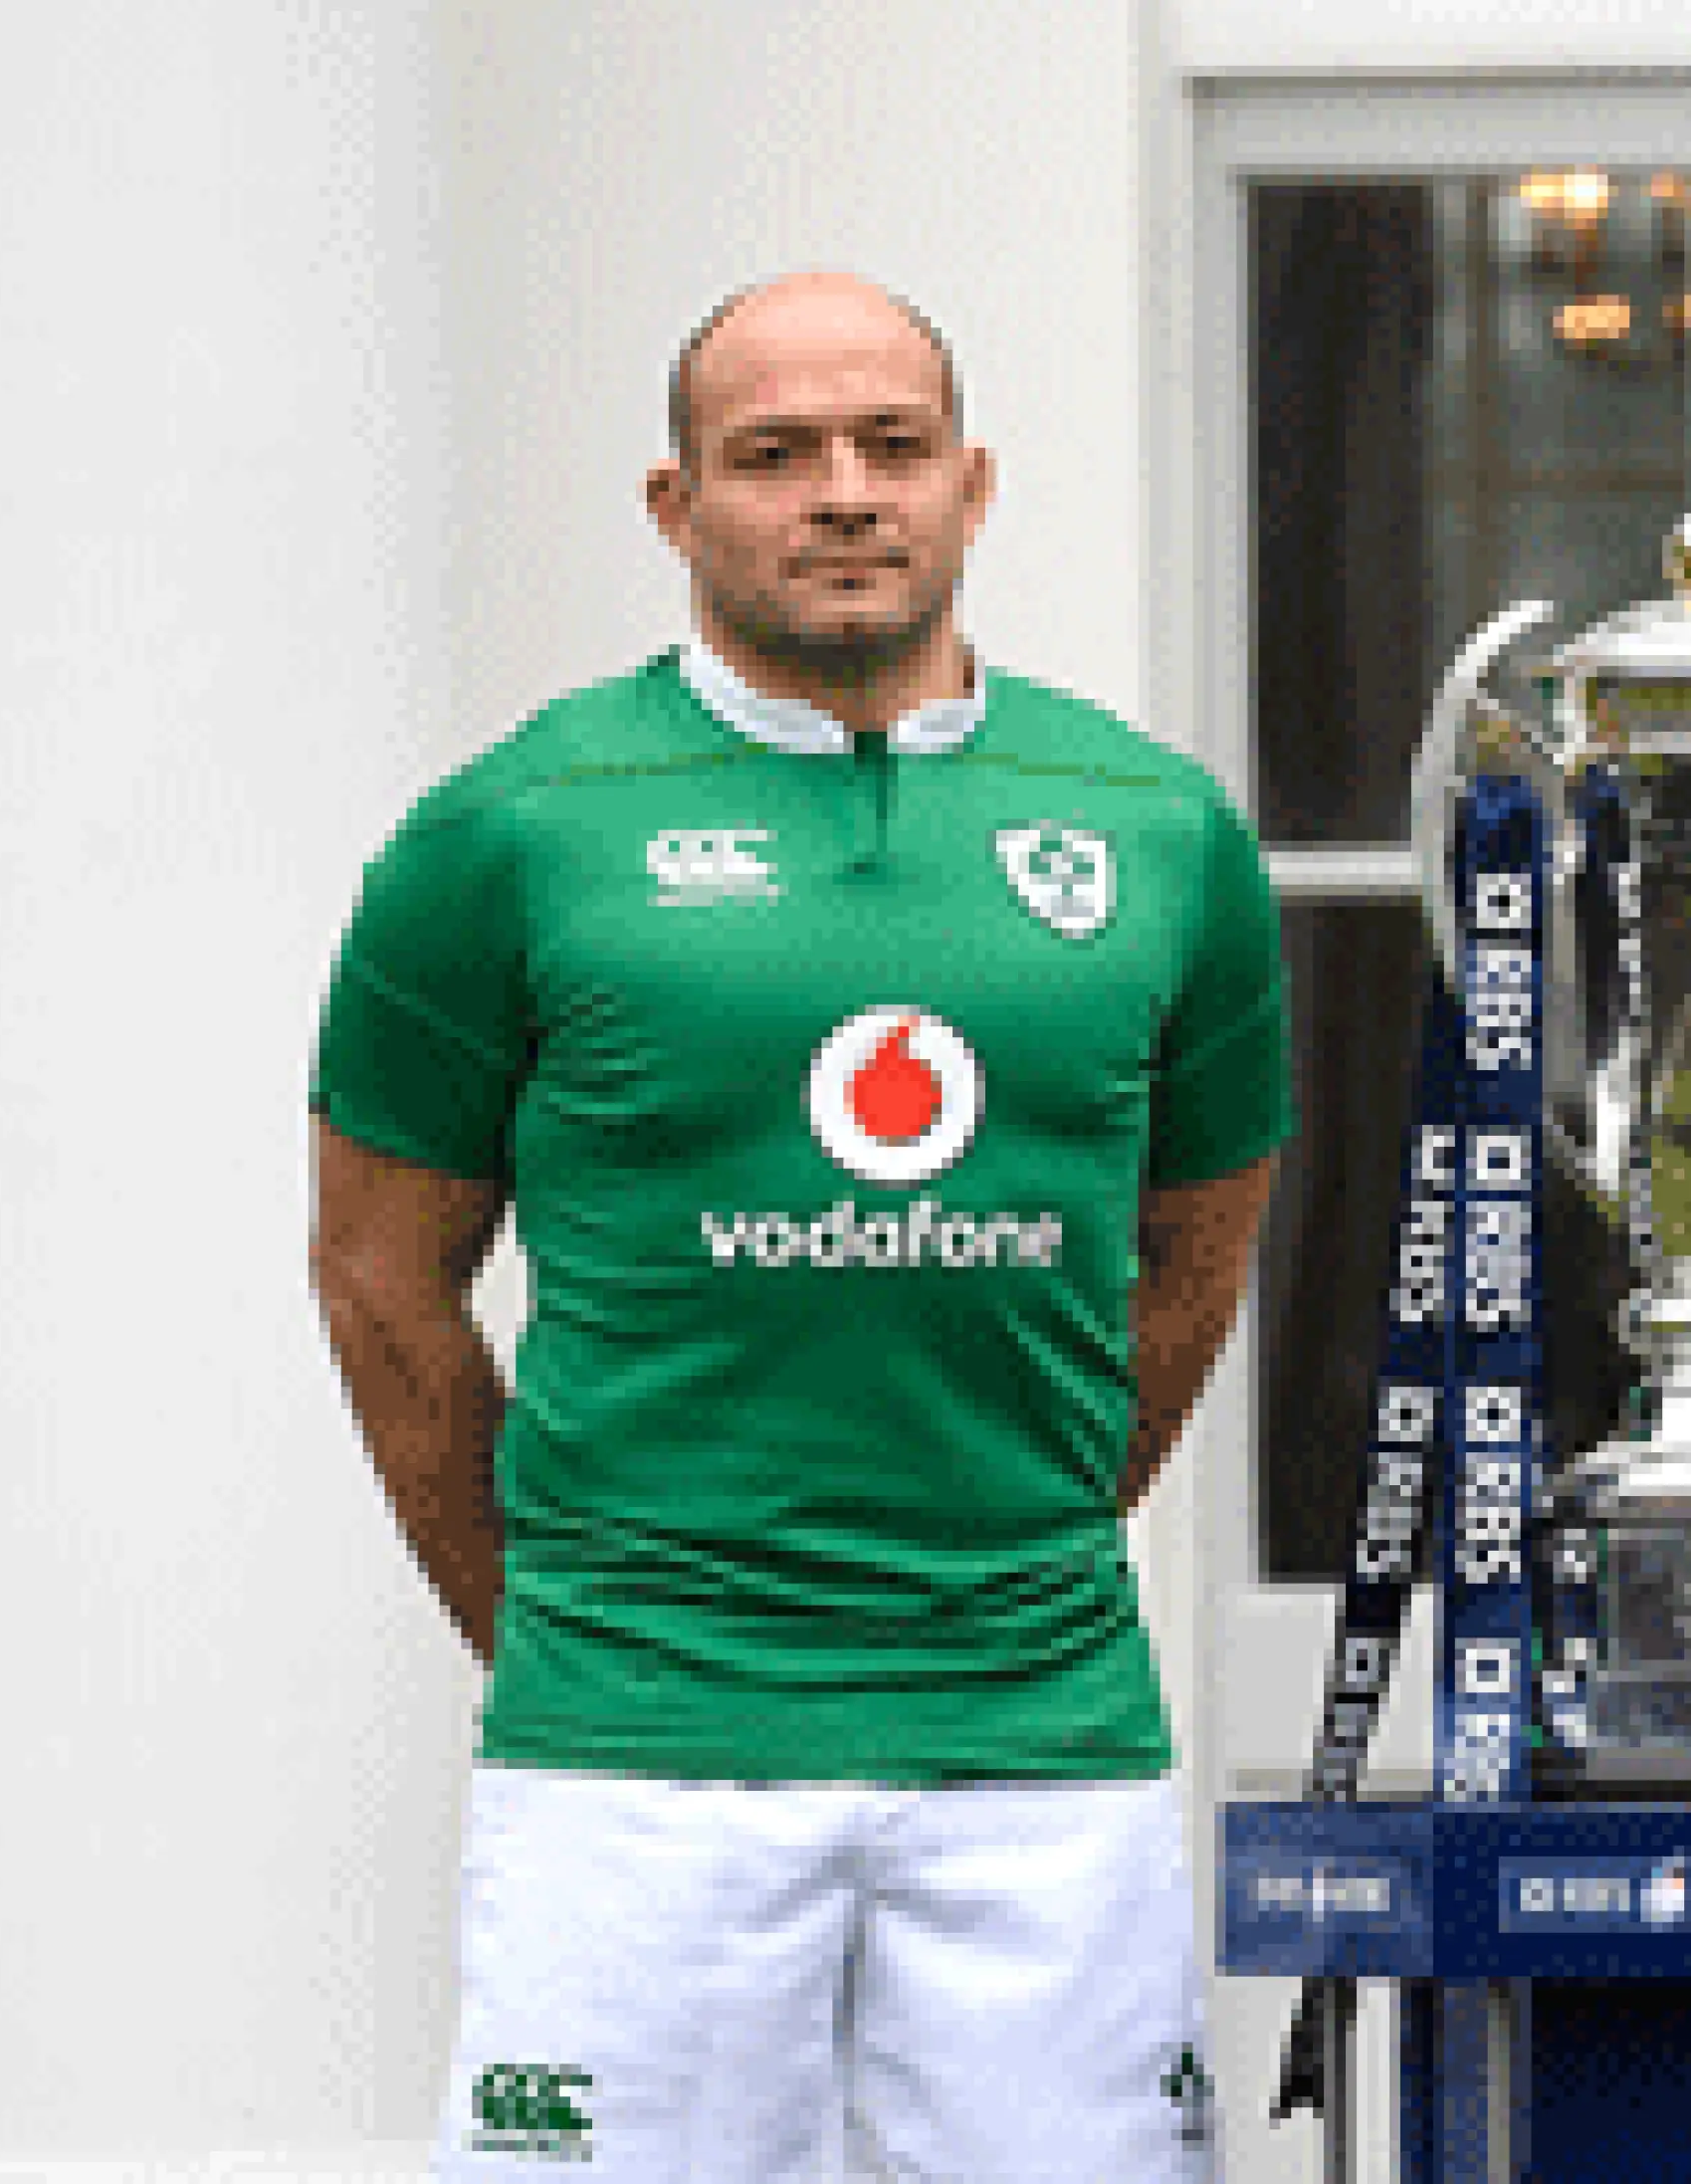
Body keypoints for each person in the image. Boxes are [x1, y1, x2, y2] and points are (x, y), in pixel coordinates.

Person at [308, 271, 1288, 2181]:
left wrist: (1021, 1548)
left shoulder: (1161, 832)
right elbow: (377, 1276)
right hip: (634, 1764)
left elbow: (1196, 1254)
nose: (844, 492)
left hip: (1040, 1754)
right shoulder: (509, 831)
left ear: (971, 485)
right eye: (775, 454)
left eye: (891, 445)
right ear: (676, 505)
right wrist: (564, 1626)